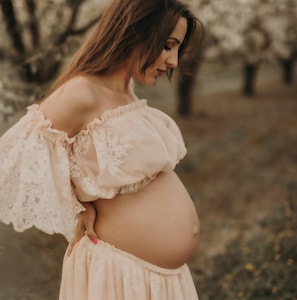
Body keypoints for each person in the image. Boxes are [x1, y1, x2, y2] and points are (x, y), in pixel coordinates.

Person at [0, 0, 203, 299]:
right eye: (168, 46)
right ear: (137, 31)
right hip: (118, 275)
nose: (173, 61)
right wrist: (77, 207)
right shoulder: (82, 91)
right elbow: (13, 157)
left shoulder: (126, 92)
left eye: (176, 49)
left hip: (160, 278)